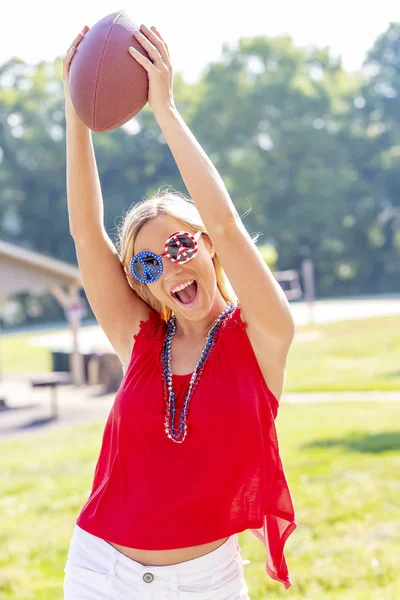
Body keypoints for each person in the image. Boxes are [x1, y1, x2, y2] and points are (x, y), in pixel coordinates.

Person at [62, 23, 297, 600]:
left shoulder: (263, 331)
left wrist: (163, 107)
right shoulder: (141, 340)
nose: (169, 270)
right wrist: (76, 113)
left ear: (207, 245)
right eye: (146, 265)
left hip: (206, 583)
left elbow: (226, 222)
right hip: (101, 574)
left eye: (180, 246)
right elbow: (88, 237)